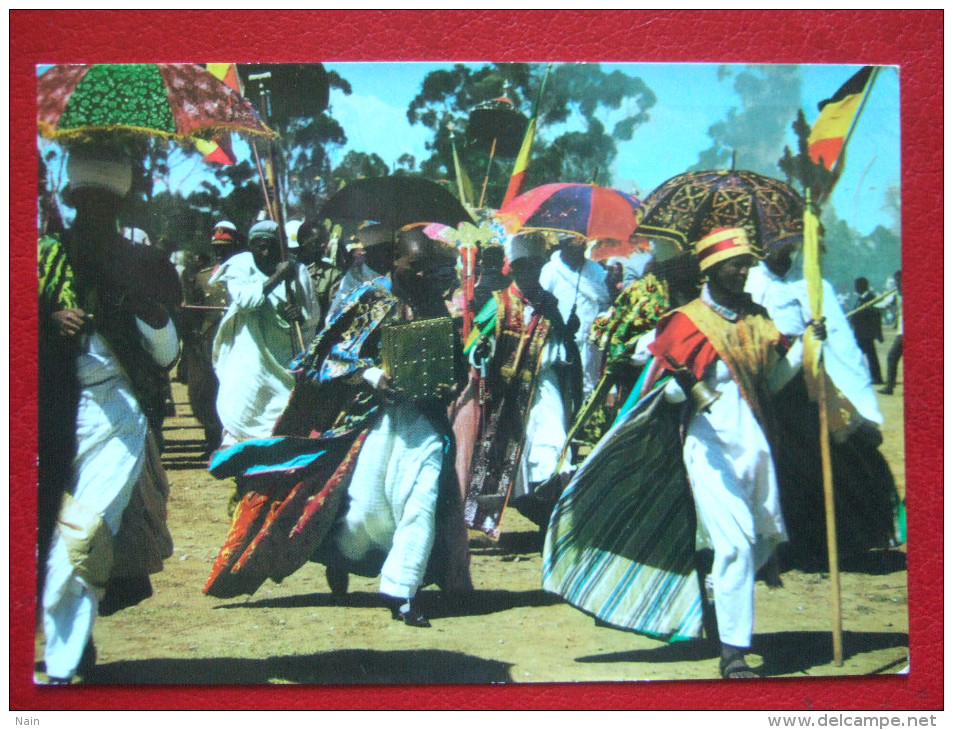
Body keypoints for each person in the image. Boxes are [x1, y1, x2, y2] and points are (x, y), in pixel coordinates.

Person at [544, 228, 820, 679]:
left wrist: (812, 345)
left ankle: (716, 601)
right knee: (735, 544)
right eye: (736, 263)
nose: (744, 270)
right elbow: (656, 391)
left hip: (754, 448)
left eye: (748, 263)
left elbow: (773, 382)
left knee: (754, 543)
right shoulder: (687, 322)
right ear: (711, 268)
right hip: (708, 448)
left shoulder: (757, 318)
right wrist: (682, 387)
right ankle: (734, 653)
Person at [203, 228, 472, 626]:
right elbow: (324, 357)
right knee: (363, 510)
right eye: (411, 266)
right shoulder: (370, 298)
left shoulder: (434, 302)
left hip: (422, 419)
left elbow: (455, 363)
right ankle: (340, 558)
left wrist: (446, 378)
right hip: (371, 419)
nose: (417, 276)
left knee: (422, 494)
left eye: (424, 268)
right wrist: (369, 375)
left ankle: (401, 590)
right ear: (394, 260)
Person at [37, 142, 179, 683]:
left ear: (118, 207)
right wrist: (48, 322)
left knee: (81, 535)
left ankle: (61, 667)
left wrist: (147, 311)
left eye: (104, 203)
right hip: (47, 418)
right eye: (84, 201)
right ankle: (72, 643)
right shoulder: (43, 257)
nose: (92, 212)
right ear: (71, 200)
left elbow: (168, 357)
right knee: (46, 539)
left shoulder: (143, 264)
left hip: (116, 419)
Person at [745, 241, 903, 563]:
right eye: (780, 252)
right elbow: (777, 358)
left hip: (799, 391)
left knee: (825, 464)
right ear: (762, 251)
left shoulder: (783, 290)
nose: (787, 260)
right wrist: (804, 343)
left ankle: (816, 544)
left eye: (790, 253)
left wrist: (809, 341)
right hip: (778, 393)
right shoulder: (765, 290)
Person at [463, 232, 581, 537]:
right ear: (513, 268)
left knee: (552, 445)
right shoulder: (498, 303)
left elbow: (564, 350)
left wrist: (568, 330)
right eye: (525, 267)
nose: (532, 273)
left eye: (536, 266)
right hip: (505, 396)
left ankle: (550, 515)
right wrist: (484, 352)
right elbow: (473, 348)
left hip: (544, 389)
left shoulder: (550, 304)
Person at [209, 219, 321, 447]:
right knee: (242, 405)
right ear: (250, 246)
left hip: (282, 358)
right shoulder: (240, 265)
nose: (266, 251)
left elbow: (312, 315)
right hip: (247, 351)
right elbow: (245, 300)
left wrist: (298, 316)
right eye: (260, 246)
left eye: (271, 245)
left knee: (279, 413)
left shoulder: (298, 270)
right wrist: (277, 278)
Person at [178, 220, 243, 454]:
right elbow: (192, 317)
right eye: (217, 247)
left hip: (238, 342)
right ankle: (212, 437)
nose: (220, 251)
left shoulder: (245, 273)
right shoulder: (203, 277)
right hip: (209, 343)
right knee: (207, 391)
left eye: (225, 247)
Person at [539, 234, 611, 397]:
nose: (578, 251)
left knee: (587, 388)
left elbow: (605, 302)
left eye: (581, 247)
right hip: (559, 341)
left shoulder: (595, 270)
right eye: (574, 247)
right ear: (564, 246)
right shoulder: (550, 270)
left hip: (589, 342)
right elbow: (542, 306)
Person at [849, 277, 884, 385]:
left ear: (863, 286)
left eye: (858, 286)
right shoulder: (860, 299)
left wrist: (878, 333)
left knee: (867, 355)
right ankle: (873, 377)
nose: (856, 288)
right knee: (867, 355)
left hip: (867, 332)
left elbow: (876, 316)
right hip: (859, 332)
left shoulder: (871, 298)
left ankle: (875, 378)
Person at [878, 270, 903, 395]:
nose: (898, 283)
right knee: (893, 357)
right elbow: (885, 304)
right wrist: (873, 307)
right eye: (897, 281)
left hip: (905, 333)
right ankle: (889, 385)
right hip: (901, 331)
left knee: (892, 357)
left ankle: (889, 386)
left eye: (900, 280)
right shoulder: (897, 295)